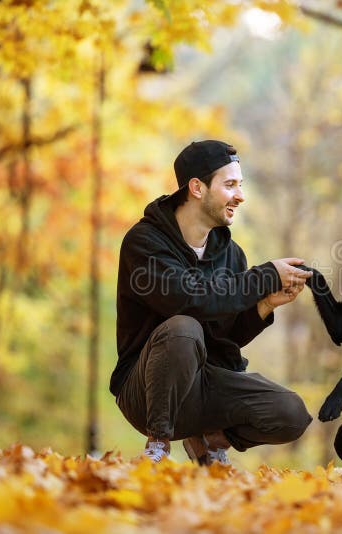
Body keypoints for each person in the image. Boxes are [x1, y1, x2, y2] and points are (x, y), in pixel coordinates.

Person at [111, 140, 313, 465]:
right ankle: (157, 448)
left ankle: (212, 441)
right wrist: (263, 277)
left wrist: (264, 305)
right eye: (230, 184)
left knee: (291, 413)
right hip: (145, 391)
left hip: (204, 387)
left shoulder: (230, 255)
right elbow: (188, 301)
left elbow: (224, 337)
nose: (240, 195)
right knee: (183, 328)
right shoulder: (145, 242)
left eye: (241, 185)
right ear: (197, 188)